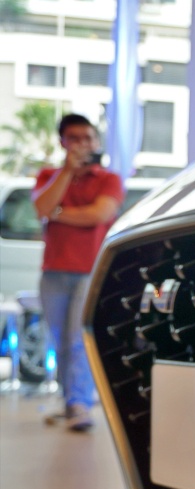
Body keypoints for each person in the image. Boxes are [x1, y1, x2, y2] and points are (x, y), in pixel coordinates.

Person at [32, 113, 124, 431]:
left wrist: (57, 213)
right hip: (53, 273)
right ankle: (70, 399)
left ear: (96, 141)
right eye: (75, 138)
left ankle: (80, 404)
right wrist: (67, 173)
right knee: (59, 341)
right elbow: (41, 207)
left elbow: (99, 214)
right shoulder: (49, 175)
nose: (83, 144)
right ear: (63, 142)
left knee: (78, 340)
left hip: (91, 272)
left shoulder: (109, 179)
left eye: (88, 137)